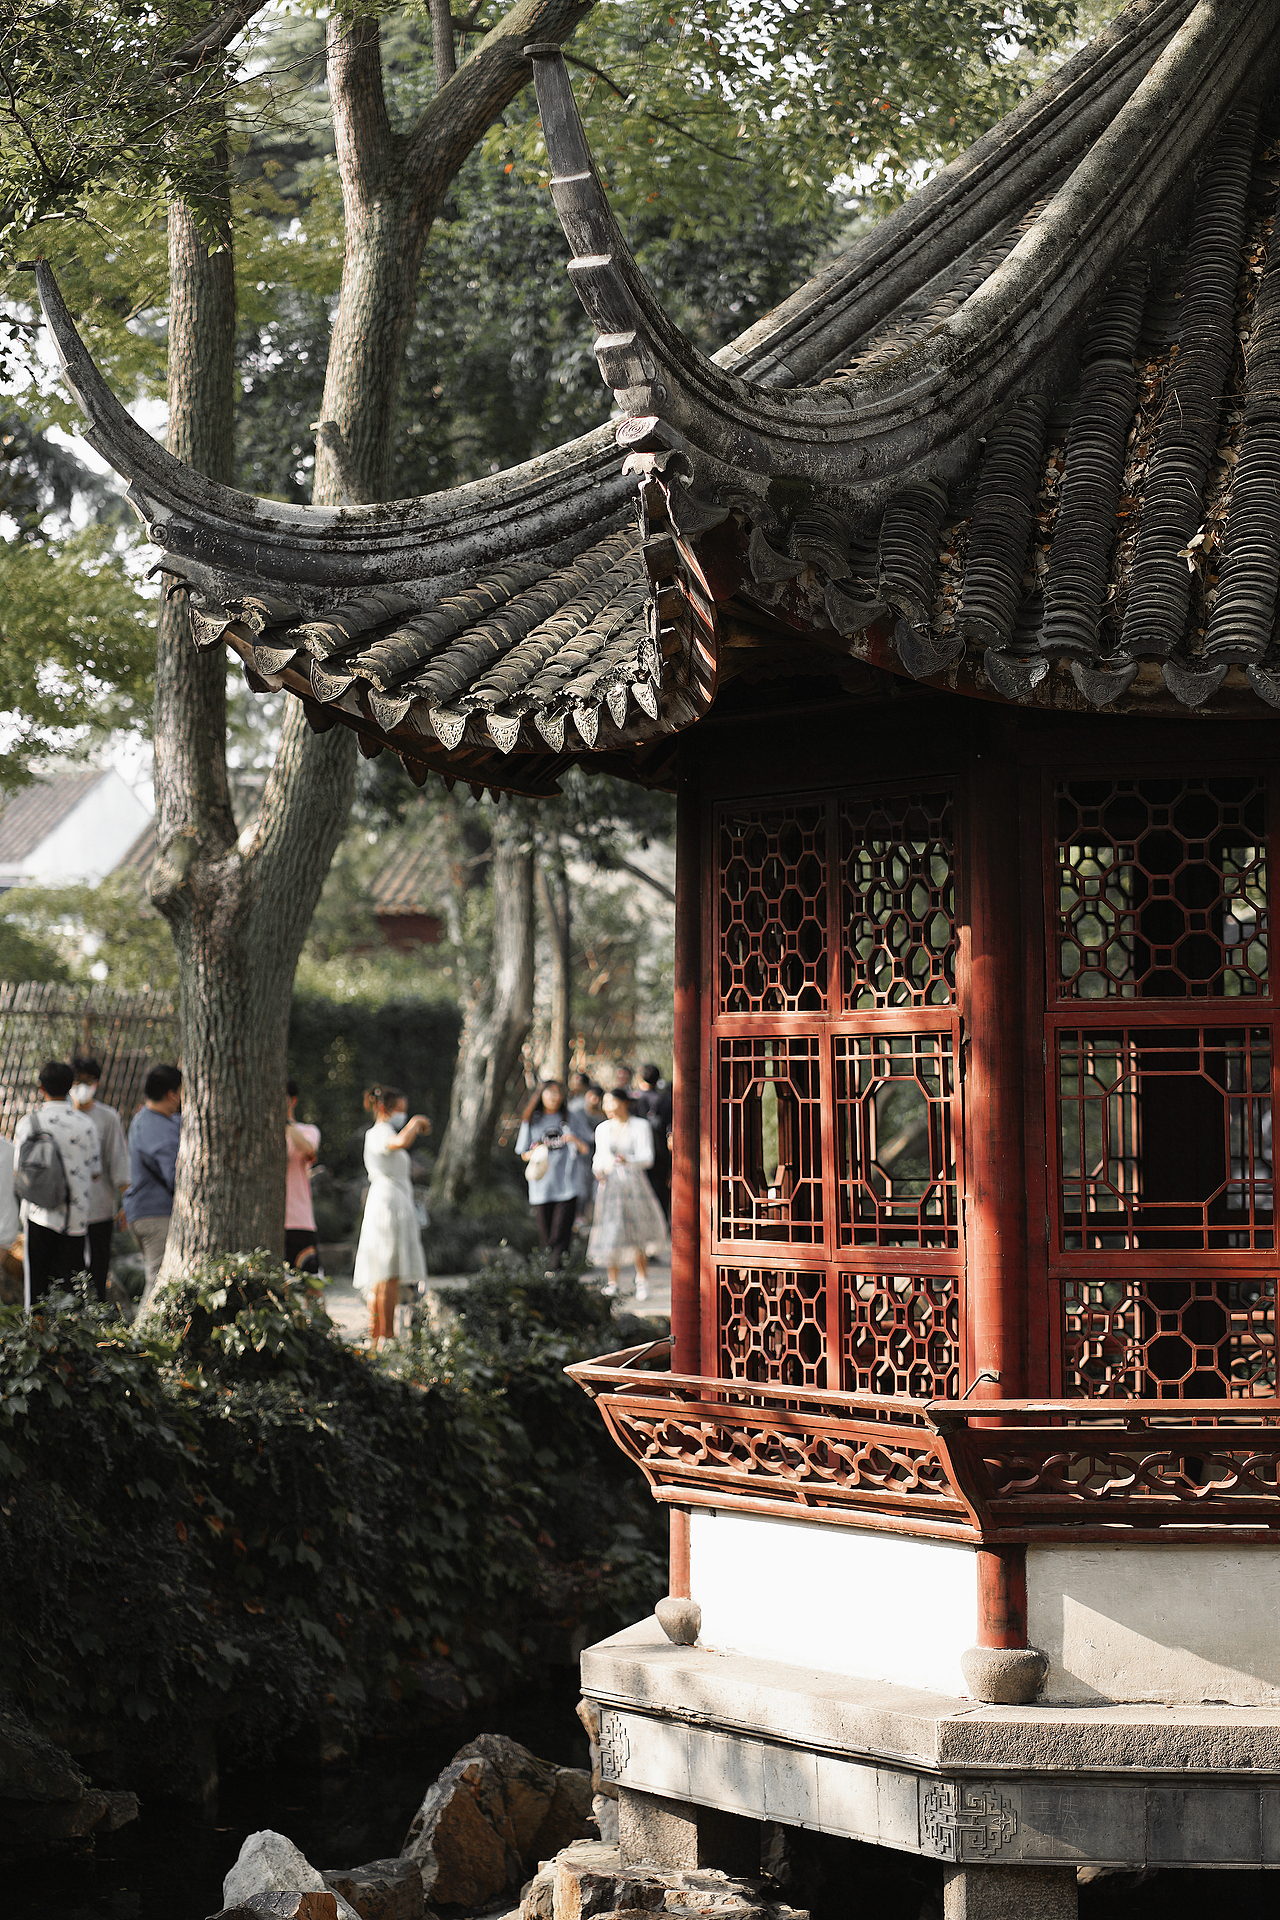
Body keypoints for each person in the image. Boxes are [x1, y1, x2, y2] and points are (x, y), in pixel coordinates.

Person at [15, 1060, 101, 1304]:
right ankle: (70, 1336)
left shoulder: (27, 1124)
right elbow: (95, 1171)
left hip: (38, 1214)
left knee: (37, 1286)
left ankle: (37, 1335)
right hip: (75, 1217)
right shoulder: (86, 1125)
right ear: (71, 1086)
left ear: (40, 1088)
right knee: (72, 1287)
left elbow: (17, 1172)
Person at [353, 1086, 430, 1344]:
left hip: (393, 1201)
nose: (404, 1115)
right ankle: (385, 1334)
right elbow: (398, 1143)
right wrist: (416, 1122)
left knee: (385, 1275)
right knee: (387, 1273)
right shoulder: (380, 1133)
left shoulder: (382, 1132)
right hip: (387, 1205)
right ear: (385, 1108)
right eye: (401, 1109)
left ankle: (379, 1336)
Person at [588, 1088, 668, 1300]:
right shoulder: (602, 1129)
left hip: (634, 1184)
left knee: (637, 1231)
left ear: (624, 1103)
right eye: (605, 1103)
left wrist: (628, 1161)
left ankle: (642, 1280)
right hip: (610, 1185)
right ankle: (612, 1282)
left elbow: (647, 1158)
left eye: (611, 1102)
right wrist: (598, 1170)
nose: (607, 1107)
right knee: (610, 1230)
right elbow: (598, 1157)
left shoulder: (640, 1126)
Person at [70, 1054, 131, 1303]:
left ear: (96, 1083)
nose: (82, 1085)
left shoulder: (108, 1117)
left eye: (88, 1080)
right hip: (67, 1210)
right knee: (70, 1268)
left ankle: (96, 1314)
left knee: (98, 1267)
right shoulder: (61, 1117)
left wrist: (127, 1201)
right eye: (77, 1080)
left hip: (99, 1207)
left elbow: (119, 1161)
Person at [516, 1079, 594, 1272]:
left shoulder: (571, 1118)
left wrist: (574, 1139)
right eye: (550, 1092)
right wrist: (537, 1150)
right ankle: (552, 1270)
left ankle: (556, 1271)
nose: (554, 1097)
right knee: (547, 1234)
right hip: (542, 1186)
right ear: (541, 1095)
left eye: (558, 1093)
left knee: (562, 1230)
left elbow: (586, 1148)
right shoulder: (531, 1120)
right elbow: (523, 1153)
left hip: (568, 1184)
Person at [124, 1064, 183, 1301]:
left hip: (142, 1211)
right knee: (159, 1283)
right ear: (172, 1094)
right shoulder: (157, 1129)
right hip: (155, 1214)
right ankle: (142, 1335)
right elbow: (175, 1175)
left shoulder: (146, 1119)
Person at [285, 1080, 321, 1274]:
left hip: (299, 1221)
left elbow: (308, 1151)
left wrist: (286, 1125)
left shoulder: (308, 1131)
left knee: (312, 1284)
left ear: (293, 1100)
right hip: (271, 1222)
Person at [637, 1063, 673, 1221]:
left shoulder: (633, 1100)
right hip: (661, 1153)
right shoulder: (666, 1100)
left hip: (637, 1153)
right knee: (660, 1194)